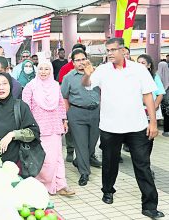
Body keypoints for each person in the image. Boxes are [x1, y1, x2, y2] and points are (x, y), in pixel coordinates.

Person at [81, 37, 164, 219]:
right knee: (110, 162)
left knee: (142, 165)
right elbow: (87, 85)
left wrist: (153, 122)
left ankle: (149, 205)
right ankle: (108, 190)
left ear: (123, 50)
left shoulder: (138, 70)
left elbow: (148, 95)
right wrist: (87, 74)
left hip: (137, 126)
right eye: (107, 50)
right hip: (110, 126)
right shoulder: (102, 70)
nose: (109, 53)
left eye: (113, 50)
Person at [22, 61, 75, 196]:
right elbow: (25, 108)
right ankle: (43, 185)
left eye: (47, 69)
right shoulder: (30, 87)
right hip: (38, 128)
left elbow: (60, 104)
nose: (43, 72)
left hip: (55, 126)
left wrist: (64, 120)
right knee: (44, 159)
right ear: (37, 70)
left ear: (51, 71)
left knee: (57, 157)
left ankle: (61, 185)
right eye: (41, 69)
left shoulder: (55, 85)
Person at [61, 49, 101, 186]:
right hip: (77, 113)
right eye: (77, 60)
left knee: (92, 143)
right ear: (72, 62)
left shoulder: (96, 74)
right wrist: (66, 116)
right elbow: (64, 97)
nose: (81, 62)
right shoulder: (68, 78)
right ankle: (84, 172)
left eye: (83, 59)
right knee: (81, 144)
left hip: (95, 112)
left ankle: (79, 161)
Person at [57, 43, 86, 163]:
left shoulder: (90, 69)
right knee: (69, 129)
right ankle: (70, 150)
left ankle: (88, 155)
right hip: (69, 103)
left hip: (85, 105)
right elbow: (61, 87)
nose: (80, 61)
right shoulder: (65, 68)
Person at [137, 54, 166, 122]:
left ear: (149, 65)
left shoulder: (154, 77)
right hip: (138, 109)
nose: (140, 65)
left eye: (143, 63)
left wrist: (154, 105)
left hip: (151, 108)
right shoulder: (134, 77)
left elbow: (160, 93)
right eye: (138, 63)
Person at [156, 61, 169, 136]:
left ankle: (162, 130)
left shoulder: (157, 74)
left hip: (159, 98)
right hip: (167, 98)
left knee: (161, 114)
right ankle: (167, 131)